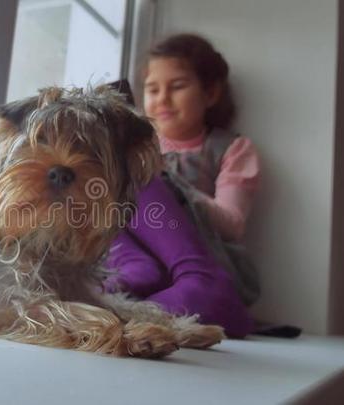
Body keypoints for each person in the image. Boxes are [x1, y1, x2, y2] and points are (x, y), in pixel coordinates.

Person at [106, 33, 260, 338]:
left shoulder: (230, 147)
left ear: (211, 92)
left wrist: (170, 181)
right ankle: (132, 268)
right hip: (149, 277)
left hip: (202, 262)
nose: (162, 98)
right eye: (152, 89)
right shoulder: (143, 145)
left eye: (177, 86)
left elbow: (232, 223)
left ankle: (203, 285)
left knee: (137, 170)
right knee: (104, 173)